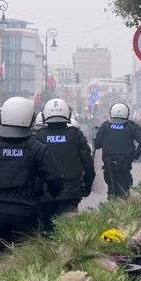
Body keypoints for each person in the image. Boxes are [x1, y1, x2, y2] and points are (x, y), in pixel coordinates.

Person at [0, 97, 63, 258]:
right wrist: (50, 195)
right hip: (27, 214)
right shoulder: (37, 148)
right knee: (26, 260)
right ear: (29, 118)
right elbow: (55, 179)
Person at [35, 98, 95, 232]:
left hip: (46, 196)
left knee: (47, 234)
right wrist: (87, 187)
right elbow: (89, 166)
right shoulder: (76, 134)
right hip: (70, 195)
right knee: (68, 234)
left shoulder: (39, 136)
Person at [94, 103, 141, 198]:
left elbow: (97, 145)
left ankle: (112, 206)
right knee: (125, 188)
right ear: (127, 114)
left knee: (112, 188)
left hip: (108, 163)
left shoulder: (105, 126)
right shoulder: (131, 126)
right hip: (125, 163)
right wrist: (135, 156)